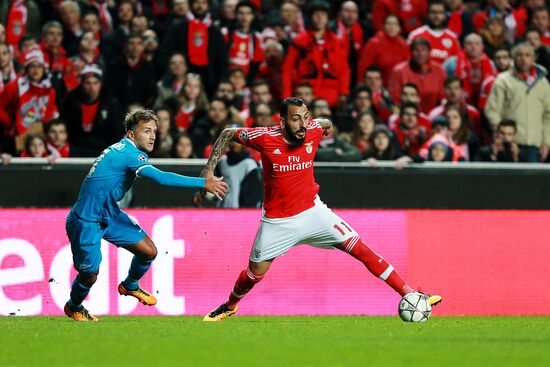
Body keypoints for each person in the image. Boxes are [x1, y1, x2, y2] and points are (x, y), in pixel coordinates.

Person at [200, 97, 441, 322]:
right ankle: (231, 305)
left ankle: (411, 294)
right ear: (282, 122)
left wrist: (328, 127)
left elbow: (325, 124)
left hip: (314, 212)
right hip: (278, 221)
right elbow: (228, 133)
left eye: (306, 117)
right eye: (296, 119)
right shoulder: (264, 137)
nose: (303, 124)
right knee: (254, 274)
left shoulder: (313, 129)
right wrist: (209, 171)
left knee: (361, 249)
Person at [63, 108, 228, 321]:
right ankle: (73, 306)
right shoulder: (130, 154)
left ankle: (130, 285)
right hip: (86, 219)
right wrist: (203, 183)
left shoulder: (122, 149)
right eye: (147, 131)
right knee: (90, 274)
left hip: (108, 212)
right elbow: (161, 178)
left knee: (148, 251)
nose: (152, 136)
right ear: (132, 134)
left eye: (154, 132)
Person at [484, 43, 550, 162]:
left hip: (534, 146)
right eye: (519, 55)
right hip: (508, 144)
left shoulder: (543, 83)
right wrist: (502, 137)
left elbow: (548, 115)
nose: (523, 59)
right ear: (513, 57)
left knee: (531, 180)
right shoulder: (502, 81)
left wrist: (546, 142)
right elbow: (492, 111)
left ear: (534, 58)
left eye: (527, 55)